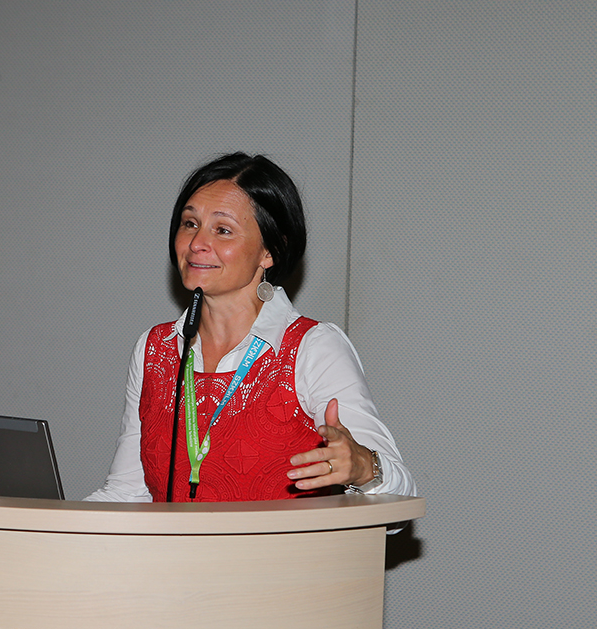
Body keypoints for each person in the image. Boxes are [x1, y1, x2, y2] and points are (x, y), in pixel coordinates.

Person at [86, 153, 415, 503]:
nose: (196, 243)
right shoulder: (156, 348)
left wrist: (364, 467)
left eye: (223, 230)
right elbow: (126, 493)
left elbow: (400, 496)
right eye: (190, 223)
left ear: (270, 251)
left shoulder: (313, 348)